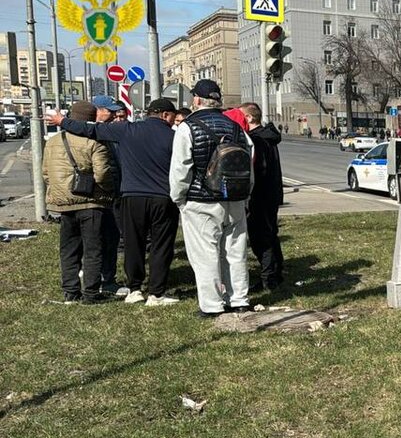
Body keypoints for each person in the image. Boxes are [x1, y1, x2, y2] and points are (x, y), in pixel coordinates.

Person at [49, 98, 182, 306]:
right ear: (165, 115)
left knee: (133, 243)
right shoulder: (175, 136)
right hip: (163, 197)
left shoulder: (126, 130)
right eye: (173, 116)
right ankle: (156, 293)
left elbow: (89, 130)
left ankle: (135, 289)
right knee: (161, 245)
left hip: (131, 197)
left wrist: (61, 121)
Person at [169, 80, 255, 318]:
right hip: (235, 198)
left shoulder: (187, 128)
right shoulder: (236, 128)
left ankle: (212, 305)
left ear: (196, 100)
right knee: (236, 252)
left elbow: (180, 170)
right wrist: (245, 196)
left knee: (205, 254)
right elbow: (248, 165)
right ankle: (239, 299)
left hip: (200, 202)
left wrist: (179, 200)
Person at [43, 101, 115, 304]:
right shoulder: (95, 142)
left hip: (64, 204)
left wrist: (61, 190)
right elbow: (102, 174)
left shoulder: (53, 142)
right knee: (93, 249)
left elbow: (46, 173)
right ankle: (91, 293)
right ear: (91, 119)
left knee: (69, 249)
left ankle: (70, 292)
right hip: (91, 202)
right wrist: (108, 191)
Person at [238, 102, 285, 291]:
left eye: (241, 117)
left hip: (260, 194)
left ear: (249, 118)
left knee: (260, 237)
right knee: (270, 234)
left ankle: (269, 278)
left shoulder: (256, 140)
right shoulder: (268, 136)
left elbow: (260, 169)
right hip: (271, 193)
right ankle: (275, 272)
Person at [91, 95, 125, 295]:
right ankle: (104, 280)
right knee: (103, 238)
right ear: (98, 111)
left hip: (110, 193)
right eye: (110, 111)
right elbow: (104, 169)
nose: (114, 115)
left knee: (109, 237)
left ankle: (103, 277)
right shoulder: (95, 133)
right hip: (104, 194)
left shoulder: (107, 131)